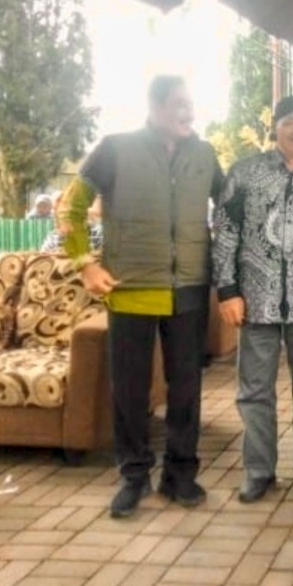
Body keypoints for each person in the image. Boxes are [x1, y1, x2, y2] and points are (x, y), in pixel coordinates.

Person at [61, 74, 224, 519]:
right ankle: (133, 476)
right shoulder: (115, 149)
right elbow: (69, 208)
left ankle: (181, 474)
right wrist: (86, 264)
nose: (188, 112)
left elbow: (229, 208)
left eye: (191, 104)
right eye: (178, 104)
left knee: (186, 389)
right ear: (153, 106)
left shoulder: (205, 154)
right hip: (131, 289)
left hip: (190, 288)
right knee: (130, 391)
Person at [211, 94, 293, 504]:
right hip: (255, 299)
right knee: (254, 392)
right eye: (291, 121)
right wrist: (227, 290)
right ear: (275, 126)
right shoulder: (244, 173)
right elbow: (225, 232)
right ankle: (259, 472)